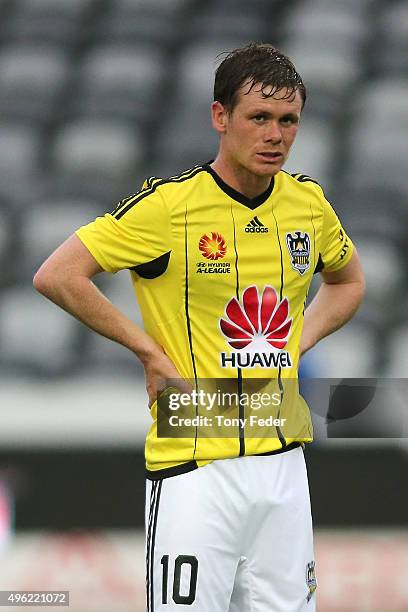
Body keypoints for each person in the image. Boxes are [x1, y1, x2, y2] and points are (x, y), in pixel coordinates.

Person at [34, 43, 365, 611]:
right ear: (220, 117)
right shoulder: (168, 208)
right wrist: (146, 350)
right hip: (194, 466)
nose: (276, 135)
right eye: (258, 118)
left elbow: (349, 282)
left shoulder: (308, 205)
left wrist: (298, 339)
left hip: (283, 464)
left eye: (288, 121)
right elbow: (59, 275)